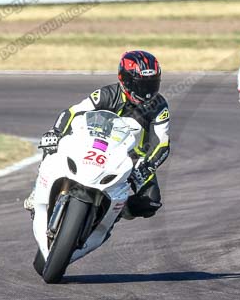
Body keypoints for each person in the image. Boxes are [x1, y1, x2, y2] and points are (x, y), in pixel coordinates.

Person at [24, 50, 169, 219]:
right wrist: (55, 132)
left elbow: (163, 143)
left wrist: (148, 166)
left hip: (134, 159)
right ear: (125, 80)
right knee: (53, 144)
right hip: (97, 145)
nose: (147, 92)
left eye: (151, 84)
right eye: (141, 85)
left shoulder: (160, 106)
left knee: (150, 202)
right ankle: (38, 189)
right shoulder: (108, 94)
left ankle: (112, 213)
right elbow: (73, 112)